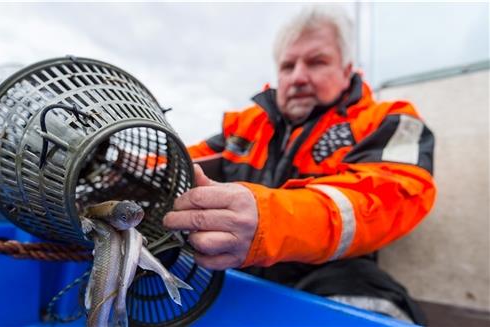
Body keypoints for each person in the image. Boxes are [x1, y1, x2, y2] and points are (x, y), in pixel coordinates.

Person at [163, 5, 436, 324]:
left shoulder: (387, 120)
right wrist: (116, 160)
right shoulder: (245, 126)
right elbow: (171, 157)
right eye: (288, 65)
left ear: (347, 70)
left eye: (317, 62)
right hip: (227, 264)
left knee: (373, 304)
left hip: (328, 272)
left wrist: (270, 223)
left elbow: (396, 192)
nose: (299, 77)